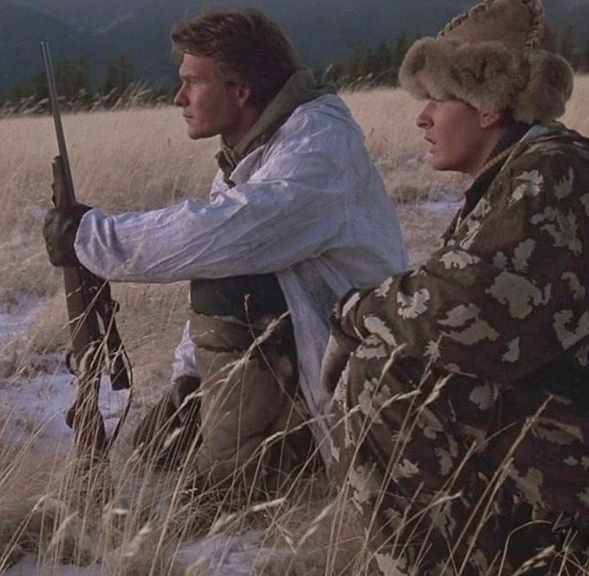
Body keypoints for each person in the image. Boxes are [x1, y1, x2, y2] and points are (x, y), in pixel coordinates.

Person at [321, 0, 589, 573]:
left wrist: (353, 312)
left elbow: (463, 313)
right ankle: (539, 548)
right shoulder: (541, 164)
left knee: (386, 377)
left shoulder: (548, 172)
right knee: (408, 359)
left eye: (439, 98)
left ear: (490, 104)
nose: (423, 118)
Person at [43, 9, 408, 498]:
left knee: (234, 285)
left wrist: (94, 239)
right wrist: (189, 377)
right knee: (157, 448)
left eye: (193, 83)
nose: (179, 98)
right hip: (312, 353)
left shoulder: (319, 146)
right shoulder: (254, 147)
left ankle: (239, 484)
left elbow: (229, 236)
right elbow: (221, 252)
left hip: (356, 384)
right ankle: (247, 455)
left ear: (239, 91)